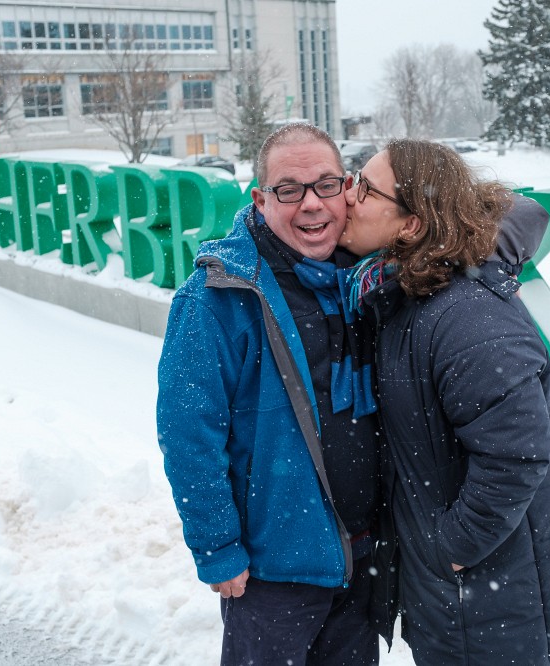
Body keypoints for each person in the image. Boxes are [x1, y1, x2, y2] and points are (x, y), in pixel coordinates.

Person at [340, 140, 550, 666]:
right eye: (353, 177)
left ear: (411, 226)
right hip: (484, 591)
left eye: (366, 188)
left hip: (497, 590)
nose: (348, 195)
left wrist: (452, 550)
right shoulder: (406, 291)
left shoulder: (463, 317)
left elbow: (517, 454)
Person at [156, 123, 382, 666]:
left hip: (363, 554)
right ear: (260, 200)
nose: (311, 205)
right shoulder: (216, 298)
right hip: (271, 570)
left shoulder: (365, 279)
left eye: (326, 185)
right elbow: (188, 432)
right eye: (289, 189)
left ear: (347, 188)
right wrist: (216, 547)